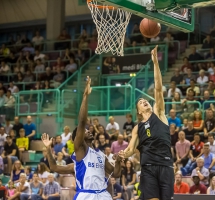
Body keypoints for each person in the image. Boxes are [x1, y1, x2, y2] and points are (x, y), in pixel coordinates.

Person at [41, 76, 122, 200]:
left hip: (103, 194)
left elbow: (116, 173)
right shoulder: (79, 150)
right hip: (86, 194)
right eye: (84, 131)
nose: (88, 131)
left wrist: (118, 162)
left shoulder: (100, 154)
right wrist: (85, 96)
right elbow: (54, 168)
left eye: (88, 130)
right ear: (77, 138)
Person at [118, 46, 174, 200]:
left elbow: (157, 87)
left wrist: (155, 63)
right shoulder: (137, 127)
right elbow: (130, 149)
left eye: (145, 100)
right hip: (148, 167)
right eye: (141, 102)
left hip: (166, 165)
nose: (145, 102)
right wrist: (124, 154)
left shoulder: (159, 113)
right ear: (139, 111)